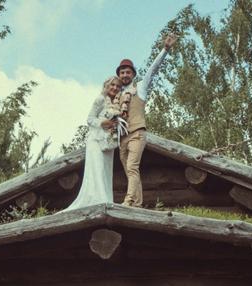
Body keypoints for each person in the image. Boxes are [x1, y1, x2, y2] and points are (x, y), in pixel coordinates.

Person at [113, 33, 178, 207]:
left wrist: (165, 49)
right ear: (119, 75)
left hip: (137, 133)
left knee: (133, 167)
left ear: (133, 74)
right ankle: (138, 203)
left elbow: (153, 68)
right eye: (122, 72)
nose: (125, 75)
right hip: (122, 138)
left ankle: (128, 201)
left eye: (128, 72)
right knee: (130, 172)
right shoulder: (117, 95)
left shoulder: (140, 87)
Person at [65, 77, 122, 210]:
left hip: (108, 141)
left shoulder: (116, 104)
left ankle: (106, 199)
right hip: (96, 140)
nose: (114, 88)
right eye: (112, 85)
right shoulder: (100, 99)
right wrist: (103, 123)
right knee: (97, 168)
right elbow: (90, 119)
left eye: (118, 86)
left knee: (106, 170)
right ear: (106, 85)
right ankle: (98, 200)